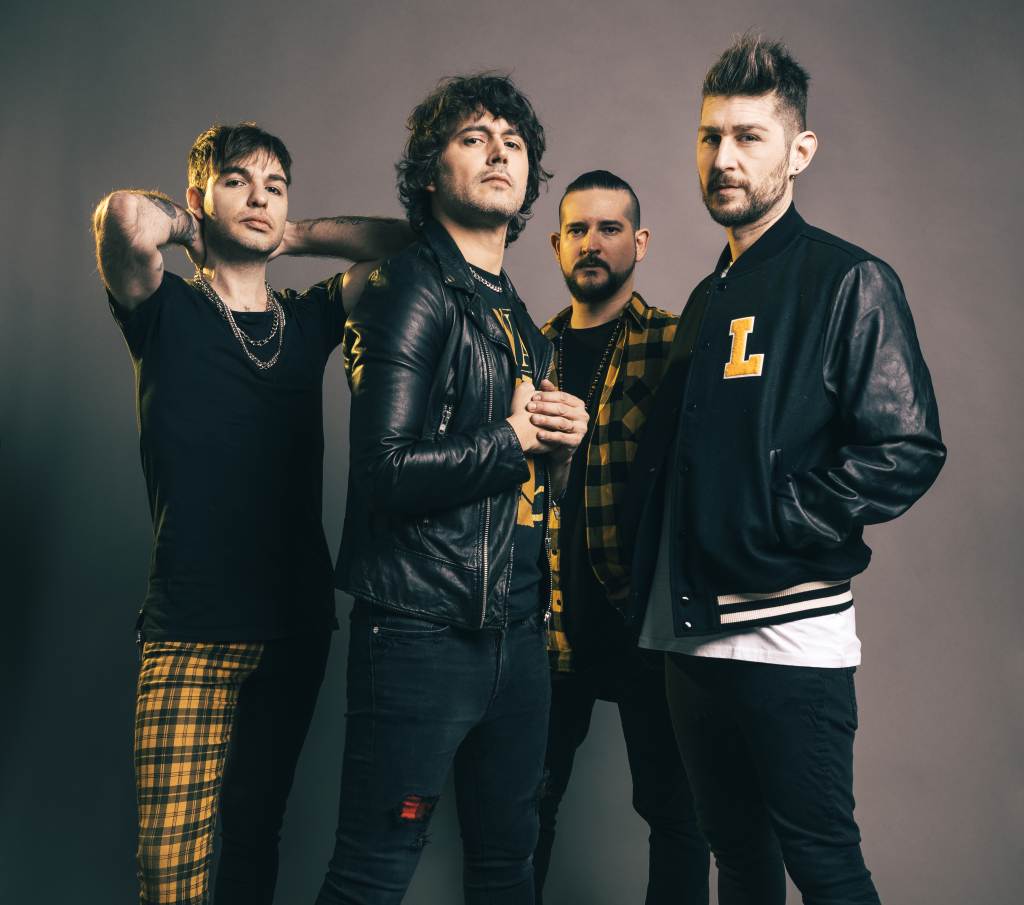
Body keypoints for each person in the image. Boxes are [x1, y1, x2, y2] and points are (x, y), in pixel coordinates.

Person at [627, 36, 946, 905]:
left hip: (788, 636)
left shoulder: (849, 279)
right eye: (709, 137)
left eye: (748, 136)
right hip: (689, 639)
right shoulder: (708, 296)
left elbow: (908, 446)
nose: (722, 158)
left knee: (825, 865)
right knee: (737, 858)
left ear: (799, 151)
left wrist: (778, 519)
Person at [92, 120, 412, 905]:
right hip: (190, 628)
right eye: (238, 181)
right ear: (200, 194)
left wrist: (292, 235)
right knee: (170, 868)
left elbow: (413, 249)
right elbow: (123, 218)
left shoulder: (309, 318)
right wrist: (190, 225)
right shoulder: (163, 307)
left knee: (253, 839)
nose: (260, 197)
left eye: (275, 186)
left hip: (294, 628)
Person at [315, 74, 588, 905]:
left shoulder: (520, 316)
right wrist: (514, 437)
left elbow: (525, 493)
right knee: (372, 873)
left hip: (517, 633)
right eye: (474, 137)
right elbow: (384, 471)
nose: (499, 150)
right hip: (420, 631)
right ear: (430, 174)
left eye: (513, 141)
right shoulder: (409, 288)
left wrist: (559, 449)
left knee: (509, 866)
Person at [534, 170, 710, 904]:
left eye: (609, 228)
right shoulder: (530, 350)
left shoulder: (674, 342)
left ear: (639, 242)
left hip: (643, 620)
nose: (592, 243)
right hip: (546, 619)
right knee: (525, 806)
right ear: (556, 244)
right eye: (577, 229)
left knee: (675, 812)